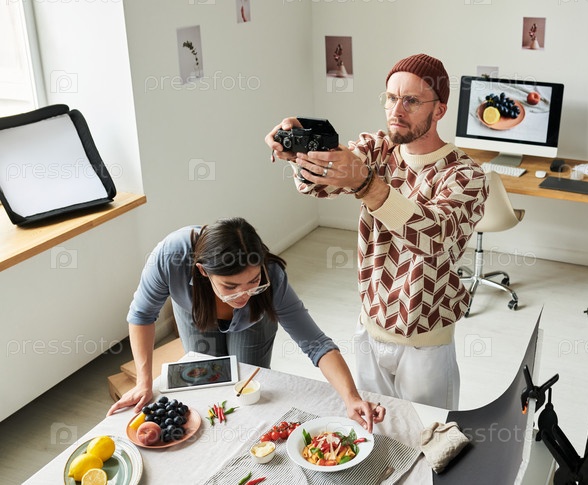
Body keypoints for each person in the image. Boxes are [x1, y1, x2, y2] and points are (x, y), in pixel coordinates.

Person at [266, 54, 488, 409]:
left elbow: (431, 237)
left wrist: (367, 184)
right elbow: (318, 184)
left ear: (439, 110)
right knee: (379, 428)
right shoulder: (378, 149)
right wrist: (301, 150)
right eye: (391, 97)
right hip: (370, 328)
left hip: (425, 342)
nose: (396, 110)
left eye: (411, 101)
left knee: (429, 432)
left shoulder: (464, 175)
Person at [107, 217, 384, 431]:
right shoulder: (170, 256)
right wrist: (144, 383)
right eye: (230, 286)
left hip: (253, 323)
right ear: (203, 271)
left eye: (253, 281)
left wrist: (351, 397)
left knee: (245, 388)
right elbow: (142, 315)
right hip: (196, 316)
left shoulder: (272, 275)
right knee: (204, 382)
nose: (242, 295)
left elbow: (316, 343)